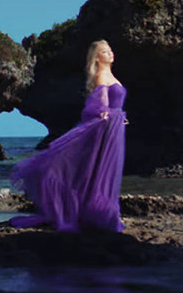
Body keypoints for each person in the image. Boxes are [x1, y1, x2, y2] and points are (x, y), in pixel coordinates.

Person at [10, 40, 128, 232]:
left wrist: (119, 117)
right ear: (97, 57)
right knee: (96, 168)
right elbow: (99, 100)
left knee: (106, 170)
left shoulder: (111, 74)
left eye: (110, 50)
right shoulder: (101, 75)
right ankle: (95, 212)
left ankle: (101, 211)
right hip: (106, 128)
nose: (110, 53)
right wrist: (104, 111)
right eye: (105, 52)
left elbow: (114, 103)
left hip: (114, 128)